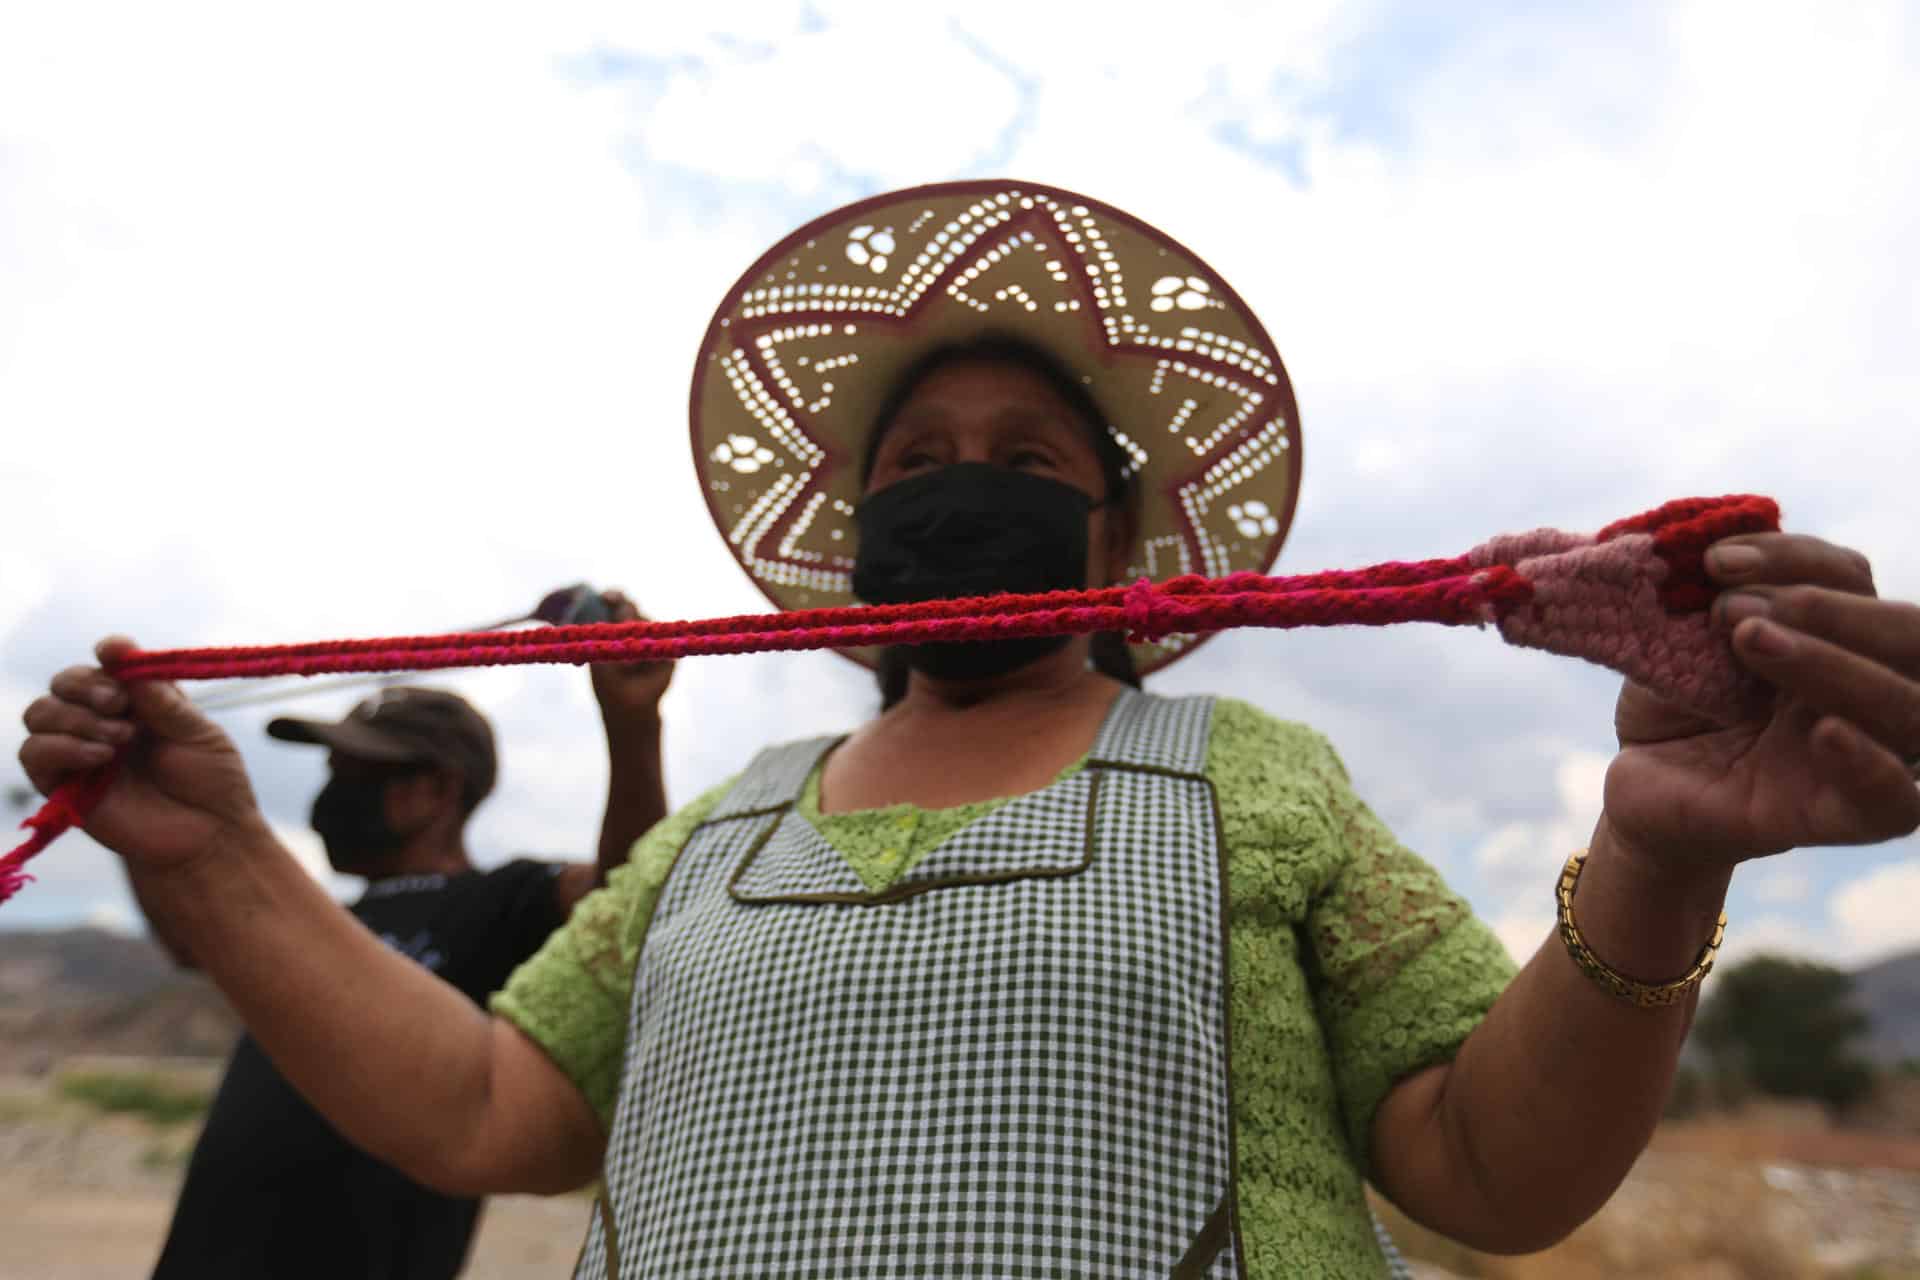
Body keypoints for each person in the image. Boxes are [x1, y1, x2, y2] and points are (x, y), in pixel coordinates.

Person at [19, 181, 1920, 1278]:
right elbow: (487, 1111)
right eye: (918, 467)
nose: (964, 492)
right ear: (856, 549)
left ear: (1122, 534)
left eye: (1024, 461)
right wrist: (224, 859)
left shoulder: (1255, 778)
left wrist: (1657, 853)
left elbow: (1491, 1177)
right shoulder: (727, 828)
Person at [126, 592, 673, 1279]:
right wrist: (135, 816)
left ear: (434, 790)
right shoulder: (330, 918)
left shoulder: (503, 900)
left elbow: (626, 900)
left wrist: (632, 728)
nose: (329, 795)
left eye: (355, 775)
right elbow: (188, 942)